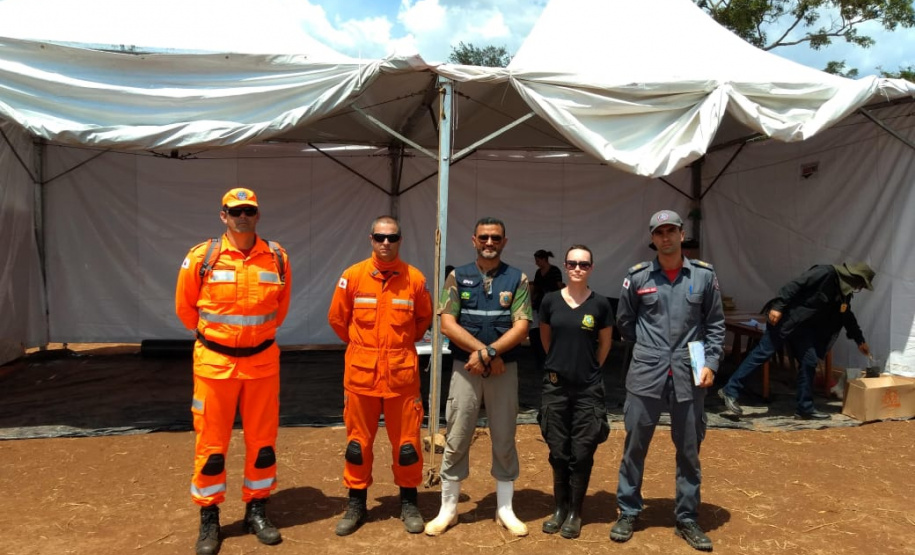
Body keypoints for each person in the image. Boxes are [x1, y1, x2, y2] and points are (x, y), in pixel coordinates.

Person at [175, 187, 291, 555]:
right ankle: (209, 517)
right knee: (211, 445)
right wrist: (220, 340)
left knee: (262, 444)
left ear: (258, 215)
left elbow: (279, 311)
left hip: (261, 364)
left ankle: (256, 510)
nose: (243, 216)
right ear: (223, 215)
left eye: (249, 211)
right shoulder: (202, 257)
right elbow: (185, 309)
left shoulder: (277, 258)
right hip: (214, 364)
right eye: (235, 211)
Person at [611, 210, 724, 552]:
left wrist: (712, 363)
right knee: (635, 446)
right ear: (652, 237)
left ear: (681, 233)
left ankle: (687, 517)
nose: (666, 237)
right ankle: (628, 510)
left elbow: (715, 324)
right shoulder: (638, 276)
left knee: (689, 449)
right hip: (647, 371)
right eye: (659, 232)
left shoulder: (703, 276)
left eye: (671, 230)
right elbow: (625, 322)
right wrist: (651, 347)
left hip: (690, 374)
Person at [425, 217, 532, 537]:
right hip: (466, 369)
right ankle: (449, 509)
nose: (489, 243)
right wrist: (485, 354)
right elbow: (447, 323)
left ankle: (504, 509)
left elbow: (522, 326)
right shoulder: (458, 276)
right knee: (456, 436)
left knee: (504, 437)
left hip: (503, 369)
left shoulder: (517, 278)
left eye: (495, 238)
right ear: (473, 240)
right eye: (484, 237)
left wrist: (491, 354)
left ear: (504, 241)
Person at [327, 215, 433, 536]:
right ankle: (356, 503)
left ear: (400, 240)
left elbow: (422, 320)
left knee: (408, 445)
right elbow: (337, 320)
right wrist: (365, 350)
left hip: (402, 379)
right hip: (361, 378)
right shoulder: (352, 277)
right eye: (380, 237)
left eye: (392, 237)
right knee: (357, 445)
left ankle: (409, 502)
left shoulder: (414, 279)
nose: (386, 243)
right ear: (370, 239)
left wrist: (395, 349)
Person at [718, 262, 874, 420]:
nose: (858, 289)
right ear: (853, 277)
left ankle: (805, 408)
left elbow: (847, 316)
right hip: (786, 321)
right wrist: (778, 306)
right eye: (860, 285)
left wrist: (859, 340)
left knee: (809, 361)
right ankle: (730, 390)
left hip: (803, 329)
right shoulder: (825, 273)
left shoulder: (843, 293)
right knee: (761, 354)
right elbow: (794, 286)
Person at [538, 245, 613, 539]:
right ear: (566, 267)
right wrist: (561, 363)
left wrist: (590, 368)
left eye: (584, 264)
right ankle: (560, 507)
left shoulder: (601, 304)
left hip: (588, 389)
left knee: (582, 451)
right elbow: (546, 338)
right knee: (558, 450)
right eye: (572, 263)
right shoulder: (550, 301)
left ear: (591, 268)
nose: (578, 268)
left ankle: (575, 512)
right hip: (555, 386)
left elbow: (605, 343)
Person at [530, 249, 564, 372]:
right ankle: (540, 360)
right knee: (535, 333)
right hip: (539, 305)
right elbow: (535, 288)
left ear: (544, 259)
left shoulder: (555, 271)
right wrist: (531, 300)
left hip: (552, 305)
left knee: (550, 333)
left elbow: (560, 287)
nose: (536, 263)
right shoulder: (538, 272)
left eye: (538, 260)